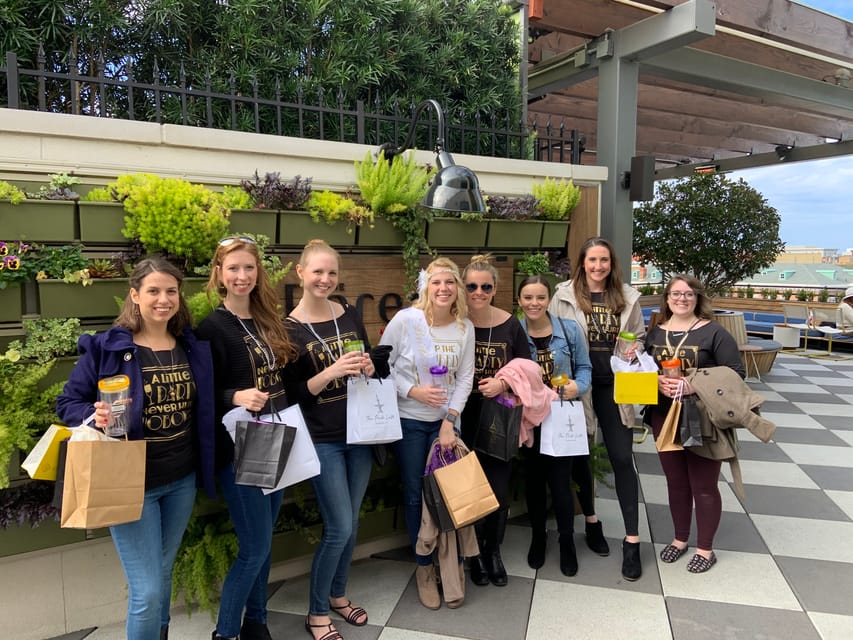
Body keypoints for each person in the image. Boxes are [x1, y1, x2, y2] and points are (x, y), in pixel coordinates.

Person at [56, 257, 216, 640]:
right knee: (147, 591)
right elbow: (67, 403)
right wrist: (92, 414)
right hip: (130, 484)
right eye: (153, 291)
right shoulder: (109, 348)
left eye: (171, 291)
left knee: (163, 572)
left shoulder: (189, 346)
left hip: (181, 479)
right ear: (135, 295)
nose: (164, 299)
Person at [196, 236, 299, 640]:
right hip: (239, 446)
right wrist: (234, 396)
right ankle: (225, 633)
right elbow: (200, 392)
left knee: (264, 542)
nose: (242, 276)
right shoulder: (212, 327)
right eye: (233, 268)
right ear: (219, 273)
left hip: (275, 436)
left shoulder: (267, 318)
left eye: (249, 268)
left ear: (259, 272)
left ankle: (256, 621)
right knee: (254, 547)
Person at [285, 240, 375, 640]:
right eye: (317, 271)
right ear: (300, 272)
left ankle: (338, 594)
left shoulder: (348, 313)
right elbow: (293, 393)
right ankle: (317, 613)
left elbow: (370, 360)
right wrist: (331, 372)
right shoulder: (288, 328)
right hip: (322, 439)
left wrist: (369, 365)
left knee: (351, 524)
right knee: (338, 526)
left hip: (361, 432)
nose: (325, 279)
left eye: (332, 272)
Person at [379, 257, 475, 610]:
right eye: (436, 282)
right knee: (415, 495)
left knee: (452, 493)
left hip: (446, 423)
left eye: (449, 282)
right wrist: (412, 391)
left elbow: (465, 378)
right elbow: (383, 364)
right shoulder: (407, 320)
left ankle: (451, 564)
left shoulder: (464, 327)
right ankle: (423, 567)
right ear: (426, 286)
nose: (443, 288)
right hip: (410, 421)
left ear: (457, 288)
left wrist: (450, 420)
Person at [548, 237, 645, 581]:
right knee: (581, 457)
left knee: (622, 458)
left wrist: (635, 350)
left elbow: (638, 336)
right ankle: (591, 521)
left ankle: (632, 541)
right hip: (579, 388)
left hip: (616, 388)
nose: (598, 266)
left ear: (611, 263)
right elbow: (551, 337)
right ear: (583, 263)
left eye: (604, 260)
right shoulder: (563, 295)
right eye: (592, 260)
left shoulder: (627, 297)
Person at [644, 274, 745, 573]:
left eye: (689, 294)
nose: (682, 299)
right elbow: (643, 371)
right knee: (676, 482)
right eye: (676, 293)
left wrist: (694, 384)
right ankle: (680, 539)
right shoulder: (655, 333)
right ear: (667, 298)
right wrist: (655, 381)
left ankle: (705, 548)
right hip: (664, 415)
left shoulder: (714, 332)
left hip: (703, 419)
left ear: (698, 298)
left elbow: (736, 373)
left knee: (703, 484)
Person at [517, 275, 598, 576]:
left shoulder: (569, 330)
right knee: (535, 481)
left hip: (563, 416)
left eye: (540, 297)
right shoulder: (515, 331)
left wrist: (578, 386)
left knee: (561, 482)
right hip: (530, 419)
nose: (534, 303)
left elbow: (585, 368)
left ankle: (567, 541)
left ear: (549, 299)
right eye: (528, 297)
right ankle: (538, 536)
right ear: (519, 300)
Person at [460, 254, 531, 587]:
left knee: (498, 488)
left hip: (499, 415)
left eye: (485, 287)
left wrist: (503, 383)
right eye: (472, 286)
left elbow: (528, 369)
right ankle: (473, 554)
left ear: (495, 288)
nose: (478, 292)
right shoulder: (455, 322)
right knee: (469, 488)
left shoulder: (510, 324)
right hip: (462, 415)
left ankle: (493, 551)